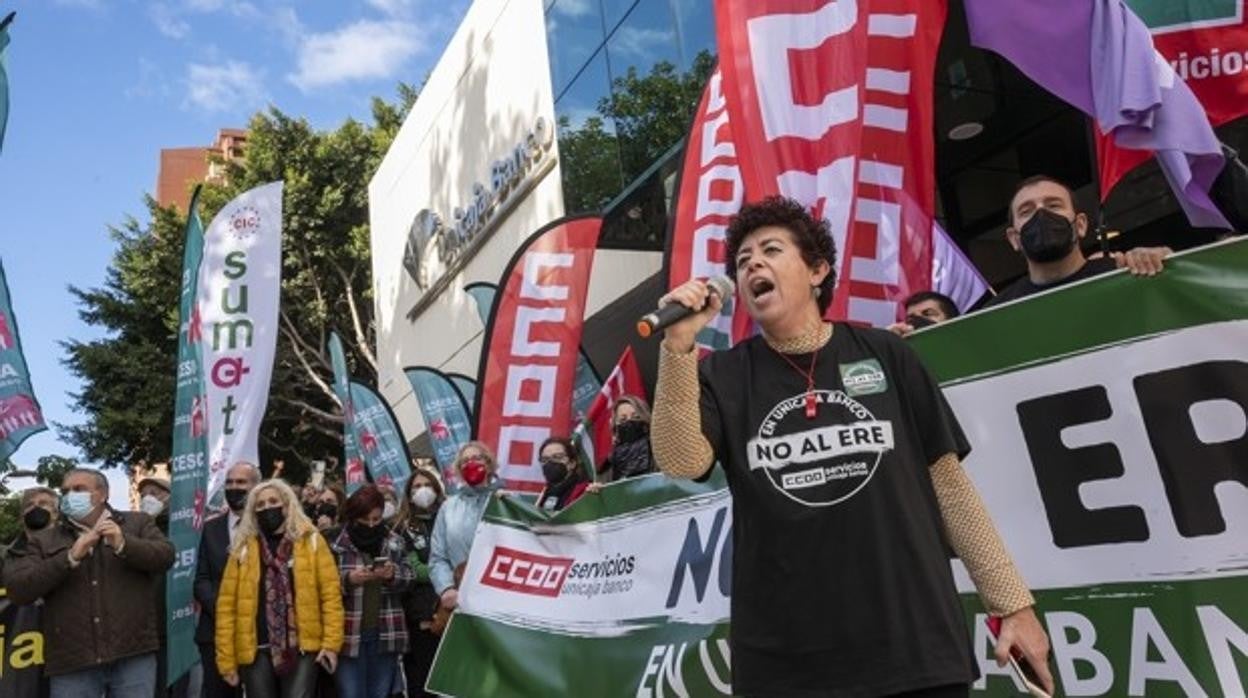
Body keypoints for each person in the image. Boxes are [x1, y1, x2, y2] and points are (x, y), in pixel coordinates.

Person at [650, 196, 1054, 697]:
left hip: (914, 647)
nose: (752, 262)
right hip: (788, 665)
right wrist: (678, 349)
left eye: (771, 250)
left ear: (817, 270)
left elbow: (947, 485)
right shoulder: (723, 375)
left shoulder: (887, 354)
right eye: (742, 259)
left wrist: (1012, 605)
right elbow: (679, 459)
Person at [4, 467, 175, 697]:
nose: (70, 495)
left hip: (133, 655)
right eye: (65, 491)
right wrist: (69, 557)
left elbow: (166, 556)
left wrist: (124, 544)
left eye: (79, 489)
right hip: (72, 662)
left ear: (102, 494)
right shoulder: (44, 540)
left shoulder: (137, 523)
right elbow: (19, 589)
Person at [215, 478, 343, 698]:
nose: (267, 508)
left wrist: (331, 644)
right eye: (260, 505)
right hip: (256, 649)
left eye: (273, 501)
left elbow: (331, 596)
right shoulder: (242, 549)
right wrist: (226, 660)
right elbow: (227, 607)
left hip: (302, 647)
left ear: (287, 505)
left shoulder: (311, 541)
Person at [983, 175, 1169, 308]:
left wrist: (1166, 263)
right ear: (1014, 238)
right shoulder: (998, 312)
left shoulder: (1127, 274)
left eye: (1054, 205)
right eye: (1026, 211)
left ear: (1080, 225)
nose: (1041, 214)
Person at [330, 485, 414, 698]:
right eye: (364, 520)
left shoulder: (394, 541)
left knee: (380, 693)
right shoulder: (335, 543)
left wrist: (393, 575)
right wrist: (348, 580)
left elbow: (410, 577)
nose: (371, 525)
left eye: (376, 519)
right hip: (347, 634)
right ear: (353, 517)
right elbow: (321, 586)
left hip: (385, 632)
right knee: (351, 693)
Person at [196, 461, 260, 698]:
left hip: (259, 633)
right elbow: (201, 579)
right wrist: (225, 610)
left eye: (241, 482)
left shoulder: (269, 527)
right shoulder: (210, 529)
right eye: (230, 482)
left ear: (256, 486)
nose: (234, 487)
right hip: (214, 633)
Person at [136, 475, 199, 698]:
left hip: (181, 624)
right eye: (143, 496)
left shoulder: (188, 530)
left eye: (154, 494)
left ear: (172, 498)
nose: (147, 499)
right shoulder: (134, 532)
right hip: (146, 627)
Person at [392, 467, 446, 698]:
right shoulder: (401, 528)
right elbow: (413, 570)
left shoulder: (449, 519)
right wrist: (445, 569)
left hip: (451, 612)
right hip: (418, 616)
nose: (422, 490)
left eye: (427, 485)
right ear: (409, 492)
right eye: (416, 486)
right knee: (420, 684)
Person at [429, 441, 501, 613]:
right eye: (465, 461)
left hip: (500, 597)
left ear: (489, 464)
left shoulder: (504, 500)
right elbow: (438, 556)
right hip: (461, 598)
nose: (471, 463)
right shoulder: (448, 508)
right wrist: (446, 588)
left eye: (477, 458)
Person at [1, 487, 59, 698]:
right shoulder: (6, 556)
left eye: (43, 504)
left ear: (56, 513)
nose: (36, 508)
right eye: (29, 505)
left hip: (66, 661)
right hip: (17, 660)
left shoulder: (75, 549)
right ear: (21, 516)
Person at [600, 395, 655, 481]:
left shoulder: (660, 452)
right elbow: (606, 487)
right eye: (623, 420)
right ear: (615, 427)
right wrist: (598, 490)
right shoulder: (609, 466)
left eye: (636, 417)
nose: (630, 422)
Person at [535, 436, 591, 512]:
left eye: (557, 457)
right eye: (545, 459)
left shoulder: (585, 492)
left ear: (572, 463)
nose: (550, 463)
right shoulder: (545, 492)